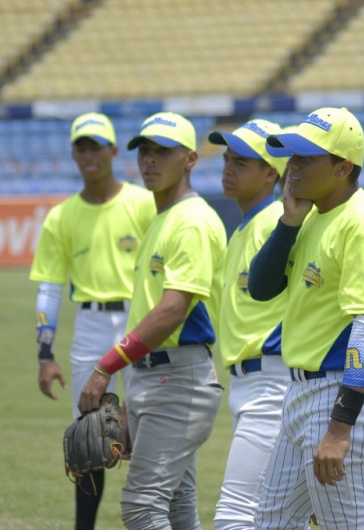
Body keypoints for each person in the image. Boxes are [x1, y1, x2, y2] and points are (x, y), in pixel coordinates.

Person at [247, 107, 364, 529]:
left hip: (338, 396)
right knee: (271, 524)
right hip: (301, 395)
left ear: (343, 167)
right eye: (292, 155)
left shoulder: (362, 225)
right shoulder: (312, 215)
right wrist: (288, 222)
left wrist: (339, 428)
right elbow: (260, 288)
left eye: (306, 157)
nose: (292, 166)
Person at [76, 112, 226, 530]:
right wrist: (133, 394)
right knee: (176, 507)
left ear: (191, 158)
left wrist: (106, 367)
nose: (150, 160)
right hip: (157, 377)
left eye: (163, 151)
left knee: (142, 507)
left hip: (178, 381)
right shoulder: (164, 218)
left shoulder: (192, 220)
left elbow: (172, 311)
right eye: (144, 150)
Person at [29, 112, 155, 530]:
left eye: (96, 147)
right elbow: (49, 288)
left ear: (114, 151)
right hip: (89, 325)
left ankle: (151, 516)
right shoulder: (61, 217)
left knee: (147, 427)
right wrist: (45, 353)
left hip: (139, 321)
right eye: (81, 147)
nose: (89, 155)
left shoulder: (143, 203)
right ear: (73, 153)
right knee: (87, 441)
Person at [206, 119, 291, 530]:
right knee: (275, 517)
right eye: (227, 159)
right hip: (249, 384)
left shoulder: (276, 223)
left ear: (271, 173)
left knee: (234, 515)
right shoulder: (244, 228)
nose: (228, 168)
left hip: (271, 384)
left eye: (241, 162)